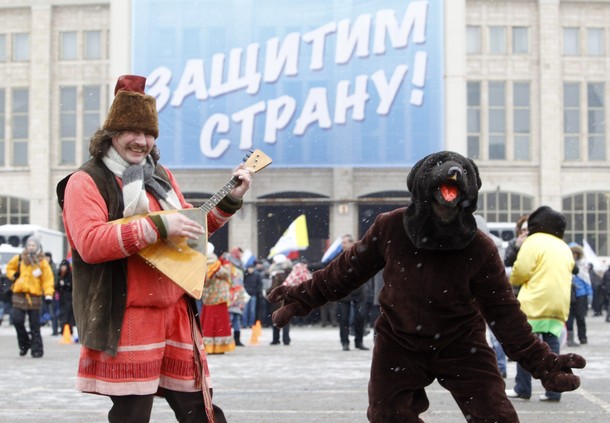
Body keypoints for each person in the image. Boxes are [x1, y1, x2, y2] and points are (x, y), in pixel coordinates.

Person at [268, 151, 585, 421]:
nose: (446, 202)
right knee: (387, 413)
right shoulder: (390, 227)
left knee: (496, 415)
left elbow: (506, 316)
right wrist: (301, 297)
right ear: (422, 189)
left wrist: (545, 364)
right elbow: (346, 270)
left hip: (461, 342)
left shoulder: (480, 248)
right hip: (399, 341)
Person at [57, 74, 253, 422]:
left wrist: (229, 200)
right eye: (133, 131)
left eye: (149, 134)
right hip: (129, 314)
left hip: (175, 311)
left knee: (202, 411)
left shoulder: (159, 177)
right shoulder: (85, 181)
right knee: (133, 414)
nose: (142, 141)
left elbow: (190, 229)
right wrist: (158, 226)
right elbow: (90, 244)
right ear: (111, 135)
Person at [506, 206, 574, 402]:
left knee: (524, 344)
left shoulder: (533, 242)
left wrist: (515, 280)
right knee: (552, 347)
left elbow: (520, 272)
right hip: (558, 304)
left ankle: (523, 387)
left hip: (534, 302)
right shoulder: (563, 246)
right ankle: (554, 389)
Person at [5, 236, 55, 358]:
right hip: (19, 294)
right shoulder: (20, 258)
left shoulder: (42, 262)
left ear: (37, 247)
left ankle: (37, 349)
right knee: (17, 320)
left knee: (35, 324)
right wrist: (13, 275)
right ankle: (24, 344)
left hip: (34, 295)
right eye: (29, 245)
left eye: (33, 245)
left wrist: (48, 294)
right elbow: (9, 268)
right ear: (26, 246)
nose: (31, 247)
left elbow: (48, 279)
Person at [201, 243, 236, 354]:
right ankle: (220, 346)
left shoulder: (201, 264)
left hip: (207, 297)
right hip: (220, 297)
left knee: (208, 323)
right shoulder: (216, 264)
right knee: (220, 323)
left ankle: (208, 346)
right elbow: (227, 274)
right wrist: (226, 265)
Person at [337, 234, 369, 351]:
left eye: (345, 242)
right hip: (344, 292)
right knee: (343, 318)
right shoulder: (338, 257)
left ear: (351, 243)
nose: (343, 245)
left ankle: (359, 341)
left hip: (359, 292)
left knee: (360, 317)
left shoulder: (360, 255)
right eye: (342, 243)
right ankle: (345, 342)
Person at [566, 244, 593, 346]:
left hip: (581, 295)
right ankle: (570, 339)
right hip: (569, 294)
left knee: (580, 317)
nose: (574, 255)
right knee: (569, 318)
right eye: (573, 253)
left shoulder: (583, 266)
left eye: (576, 254)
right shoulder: (566, 264)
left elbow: (587, 282)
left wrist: (589, 294)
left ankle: (582, 337)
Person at [268, 254, 293, 345]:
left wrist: (268, 292)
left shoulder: (277, 275)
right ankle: (286, 339)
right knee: (286, 321)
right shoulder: (291, 274)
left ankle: (276, 339)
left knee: (276, 320)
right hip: (288, 301)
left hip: (278, 302)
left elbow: (274, 288)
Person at [42, 251, 60, 335]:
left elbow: (55, 280)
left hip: (50, 292)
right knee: (40, 311)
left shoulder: (52, 267)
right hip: (41, 292)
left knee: (52, 312)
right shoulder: (42, 266)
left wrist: (52, 288)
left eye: (47, 257)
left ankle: (55, 329)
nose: (46, 259)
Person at [55, 259, 75, 336]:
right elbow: (56, 286)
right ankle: (63, 328)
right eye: (62, 266)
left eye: (64, 266)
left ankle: (68, 329)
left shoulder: (70, 275)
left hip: (68, 298)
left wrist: (65, 285)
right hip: (61, 298)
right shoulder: (60, 275)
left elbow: (72, 286)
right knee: (62, 314)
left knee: (68, 314)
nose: (63, 268)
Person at [242, 261, 262, 328]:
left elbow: (259, 284)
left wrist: (257, 291)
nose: (250, 270)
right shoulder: (245, 274)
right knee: (245, 310)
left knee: (252, 310)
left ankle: (251, 324)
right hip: (246, 294)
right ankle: (244, 324)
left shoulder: (257, 275)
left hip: (253, 294)